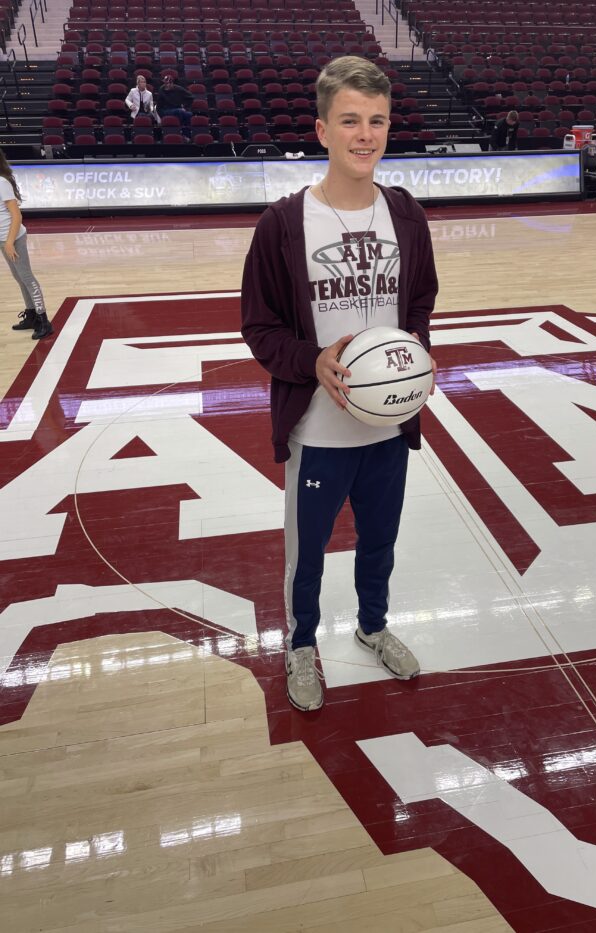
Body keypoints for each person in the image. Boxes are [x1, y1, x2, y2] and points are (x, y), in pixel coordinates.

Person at [241, 55, 438, 712]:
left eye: (376, 121)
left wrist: (415, 359)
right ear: (322, 129)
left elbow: (419, 305)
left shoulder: (407, 217)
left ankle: (373, 625)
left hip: (387, 424)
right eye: (350, 120)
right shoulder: (282, 225)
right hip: (318, 431)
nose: (365, 135)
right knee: (309, 555)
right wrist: (311, 361)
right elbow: (259, 326)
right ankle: (301, 643)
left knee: (380, 541)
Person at [1, 149, 53, 340]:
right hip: (3, 239)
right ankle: (31, 314)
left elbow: (16, 216)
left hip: (13, 237)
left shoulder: (2, 182)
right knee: (18, 277)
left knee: (26, 277)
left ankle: (43, 320)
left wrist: (9, 242)